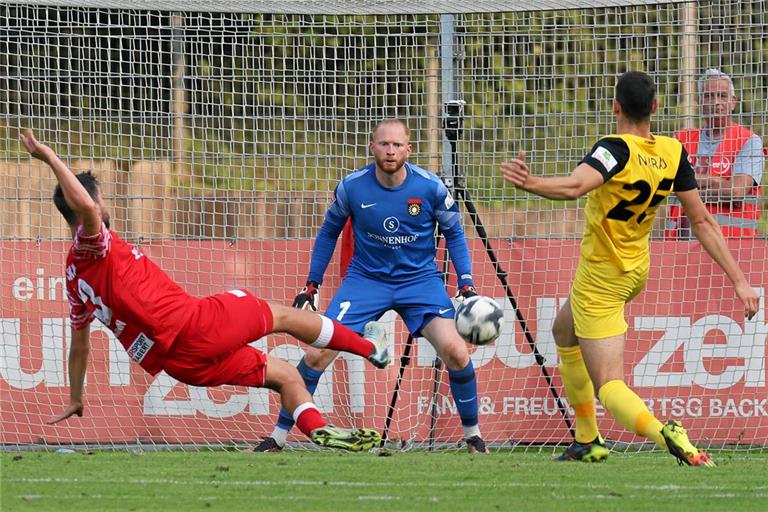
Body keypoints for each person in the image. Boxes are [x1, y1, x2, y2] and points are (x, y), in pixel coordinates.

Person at [21, 129, 391, 452]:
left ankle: (318, 429)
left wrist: (75, 396)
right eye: (101, 198)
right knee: (284, 315)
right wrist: (49, 156)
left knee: (285, 376)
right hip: (197, 324)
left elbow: (80, 343)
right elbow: (86, 205)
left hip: (180, 364)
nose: (104, 204)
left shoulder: (74, 279)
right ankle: (371, 349)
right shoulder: (93, 244)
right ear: (90, 206)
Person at [499, 71, 759, 466]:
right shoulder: (673, 152)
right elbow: (703, 220)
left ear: (615, 107)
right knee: (563, 329)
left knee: (609, 384)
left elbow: (574, 186)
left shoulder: (613, 149)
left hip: (602, 276)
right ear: (655, 108)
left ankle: (666, 433)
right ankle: (587, 440)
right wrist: (740, 282)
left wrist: (529, 182)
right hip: (635, 268)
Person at [254, 119, 489, 453]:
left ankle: (473, 437)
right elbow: (328, 233)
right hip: (365, 280)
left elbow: (454, 233)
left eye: (396, 145)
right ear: (372, 147)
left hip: (419, 282)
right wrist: (311, 285)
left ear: (409, 149)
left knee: (454, 350)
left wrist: (466, 283)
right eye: (383, 144)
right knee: (316, 353)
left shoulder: (431, 187)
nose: (390, 150)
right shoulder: (352, 187)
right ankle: (277, 437)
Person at [665, 68, 765, 239]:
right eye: (709, 96)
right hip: (681, 247)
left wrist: (687, 188)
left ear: (733, 102)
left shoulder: (749, 141)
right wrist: (715, 181)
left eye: (722, 96)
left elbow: (735, 191)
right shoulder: (681, 139)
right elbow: (668, 182)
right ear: (699, 102)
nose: (716, 102)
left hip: (733, 245)